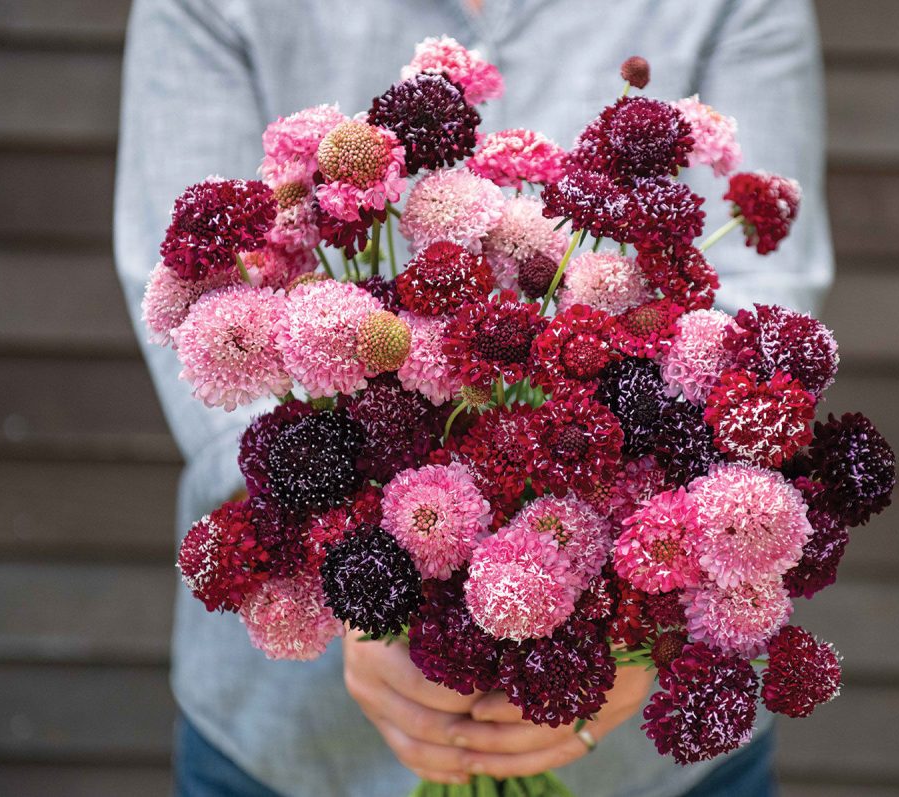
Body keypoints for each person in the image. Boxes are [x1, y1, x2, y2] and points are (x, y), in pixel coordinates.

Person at [114, 1, 833, 795]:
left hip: (639, 759)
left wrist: (647, 626)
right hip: (290, 746)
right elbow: (191, 283)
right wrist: (351, 567)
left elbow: (765, 309)